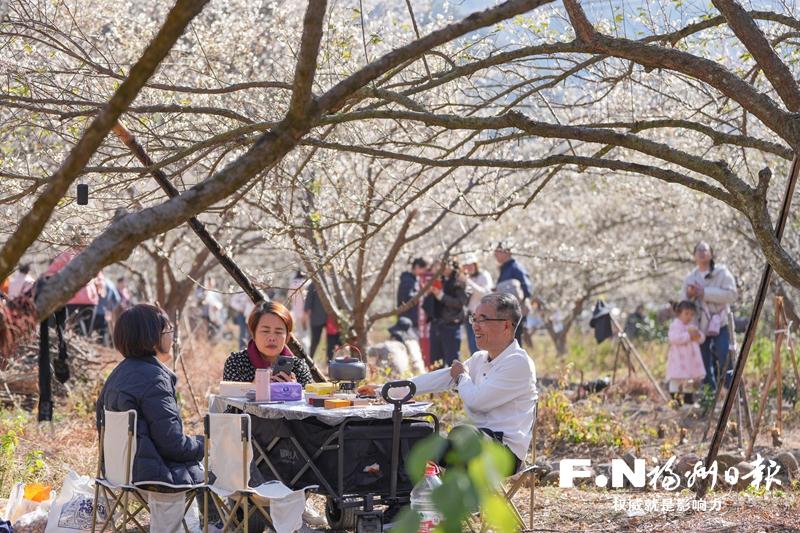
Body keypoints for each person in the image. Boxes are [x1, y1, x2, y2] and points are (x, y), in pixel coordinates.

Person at [360, 293, 537, 473]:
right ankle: (405, 497)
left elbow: (477, 400)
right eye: (473, 319)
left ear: (506, 325)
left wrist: (461, 376)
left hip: (504, 454)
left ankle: (457, 499)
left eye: (482, 319)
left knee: (464, 435)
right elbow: (440, 378)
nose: (475, 326)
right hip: (472, 442)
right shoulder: (480, 359)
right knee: (413, 433)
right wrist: (385, 390)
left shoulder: (518, 362)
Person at [96, 304, 204, 532]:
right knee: (219, 460)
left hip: (119, 472)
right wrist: (205, 444)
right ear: (153, 337)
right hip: (153, 478)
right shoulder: (154, 378)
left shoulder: (118, 374)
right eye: (168, 330)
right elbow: (173, 445)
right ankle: (217, 524)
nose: (172, 336)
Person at [680, 241, 738, 390]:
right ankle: (709, 395)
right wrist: (690, 295)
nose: (701, 253)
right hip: (700, 325)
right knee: (702, 361)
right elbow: (683, 303)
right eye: (698, 250)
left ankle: (732, 392)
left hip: (721, 322)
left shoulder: (722, 273)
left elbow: (732, 295)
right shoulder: (690, 278)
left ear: (711, 254)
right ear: (693, 256)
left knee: (725, 355)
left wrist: (704, 293)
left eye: (705, 250)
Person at [223, 301, 313, 386]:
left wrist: (295, 392)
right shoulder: (236, 363)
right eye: (265, 331)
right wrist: (254, 388)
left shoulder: (299, 368)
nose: (272, 338)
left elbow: (309, 400)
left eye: (278, 332)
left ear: (287, 337)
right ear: (253, 334)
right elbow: (228, 400)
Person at [46, 240, 99, 336]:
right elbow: (50, 273)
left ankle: (84, 349)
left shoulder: (91, 255)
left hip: (90, 299)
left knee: (86, 332)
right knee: (77, 331)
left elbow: (99, 275)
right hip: (73, 299)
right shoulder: (66, 255)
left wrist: (98, 285)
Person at [423, 259, 469, 368]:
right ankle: (437, 385)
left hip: (451, 324)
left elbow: (460, 303)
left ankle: (457, 384)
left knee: (453, 361)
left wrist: (441, 296)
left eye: (444, 265)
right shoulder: (438, 279)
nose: (441, 268)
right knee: (435, 361)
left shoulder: (459, 281)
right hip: (436, 324)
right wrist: (429, 294)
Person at [666, 301, 706, 406]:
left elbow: (701, 338)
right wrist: (688, 336)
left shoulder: (692, 326)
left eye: (692, 314)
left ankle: (688, 402)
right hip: (678, 359)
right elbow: (673, 338)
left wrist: (698, 336)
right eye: (686, 313)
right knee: (676, 380)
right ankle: (675, 403)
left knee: (689, 381)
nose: (689, 317)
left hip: (690, 360)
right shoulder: (675, 325)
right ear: (679, 313)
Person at [494, 241, 533, 344]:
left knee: (515, 342)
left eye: (498, 251)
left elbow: (527, 288)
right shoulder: (505, 268)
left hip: (515, 313)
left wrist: (519, 307)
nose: (495, 254)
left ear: (507, 252)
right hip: (507, 312)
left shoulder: (515, 267)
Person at [462, 253, 493, 354]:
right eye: (466, 266)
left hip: (483, 317)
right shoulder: (465, 278)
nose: (469, 268)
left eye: (471, 265)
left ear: (476, 264)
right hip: (470, 316)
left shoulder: (484, 275)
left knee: (482, 345)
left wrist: (469, 282)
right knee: (472, 345)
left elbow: (486, 293)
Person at [397, 258, 428, 330]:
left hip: (412, 318)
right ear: (417, 267)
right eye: (423, 269)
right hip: (408, 319)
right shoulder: (407, 280)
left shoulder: (414, 280)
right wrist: (421, 294)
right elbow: (406, 298)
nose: (423, 272)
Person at [93, 271, 121, 345]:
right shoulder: (110, 284)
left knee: (90, 333)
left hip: (92, 312)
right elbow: (117, 299)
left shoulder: (92, 282)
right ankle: (105, 347)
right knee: (103, 333)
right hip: (104, 312)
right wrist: (110, 309)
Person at [287, 271, 310, 352]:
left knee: (300, 334)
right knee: (307, 334)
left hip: (297, 313)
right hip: (307, 314)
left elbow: (289, 297)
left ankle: (302, 352)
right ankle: (308, 352)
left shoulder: (293, 284)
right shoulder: (307, 283)